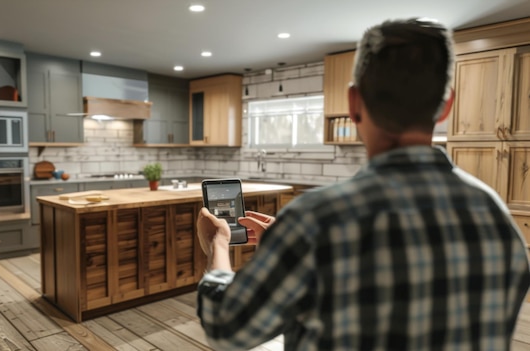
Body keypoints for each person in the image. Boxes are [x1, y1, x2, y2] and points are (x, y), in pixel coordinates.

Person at [196, 17, 530, 350]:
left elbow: (227, 327)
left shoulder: (315, 219)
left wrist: (219, 244)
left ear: (354, 104)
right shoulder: (499, 219)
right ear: (446, 106)